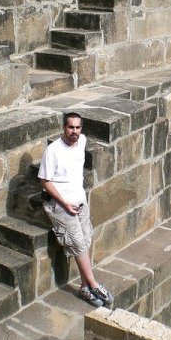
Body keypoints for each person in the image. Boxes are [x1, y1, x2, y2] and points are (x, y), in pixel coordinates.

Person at [38, 112, 113, 307]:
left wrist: (78, 199)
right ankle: (94, 285)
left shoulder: (82, 141)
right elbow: (44, 181)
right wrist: (64, 203)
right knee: (78, 244)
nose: (74, 131)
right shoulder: (53, 151)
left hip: (80, 201)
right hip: (60, 205)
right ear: (64, 128)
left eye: (78, 127)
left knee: (85, 238)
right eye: (70, 127)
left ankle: (84, 287)